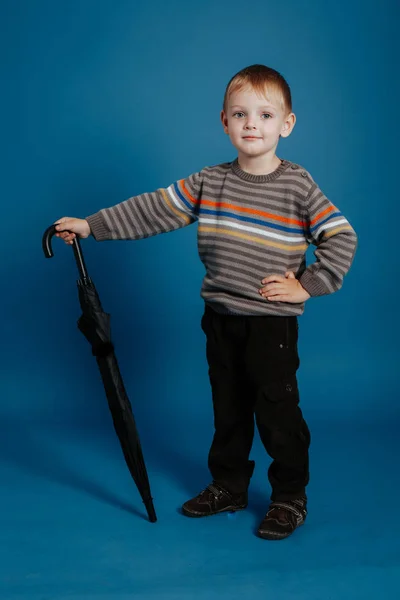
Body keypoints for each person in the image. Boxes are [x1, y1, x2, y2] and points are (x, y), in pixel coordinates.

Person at [54, 64, 357, 540]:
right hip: (220, 318)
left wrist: (309, 284)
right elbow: (153, 208)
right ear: (224, 122)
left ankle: (289, 497)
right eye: (240, 114)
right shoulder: (210, 182)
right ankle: (229, 485)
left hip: (271, 324)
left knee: (277, 412)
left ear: (287, 124)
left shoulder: (298, 186)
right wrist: (93, 225)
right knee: (228, 408)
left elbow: (340, 237)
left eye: (264, 114)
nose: (251, 124)